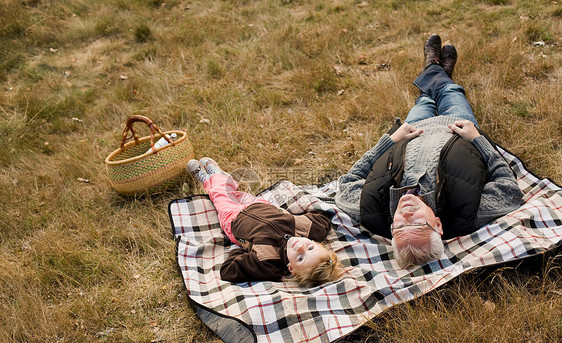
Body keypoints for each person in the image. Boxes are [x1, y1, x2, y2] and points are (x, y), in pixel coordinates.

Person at [335, 34, 523, 267]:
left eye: (400, 227)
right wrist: (477, 139)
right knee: (451, 92)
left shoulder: (370, 212)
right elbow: (510, 191)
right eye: (417, 224)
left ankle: (434, 67)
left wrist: (390, 140)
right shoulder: (469, 214)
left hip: (413, 129)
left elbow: (346, 183)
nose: (406, 216)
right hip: (457, 125)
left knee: (424, 100)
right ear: (438, 225)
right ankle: (438, 70)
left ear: (391, 231)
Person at [187, 157, 345, 286]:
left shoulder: (269, 264)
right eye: (310, 247)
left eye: (300, 258)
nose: (300, 247)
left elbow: (229, 270)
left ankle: (209, 179)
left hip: (233, 221)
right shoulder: (310, 230)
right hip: (260, 205)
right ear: (316, 243)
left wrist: (237, 247)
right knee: (234, 193)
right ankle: (220, 177)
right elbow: (322, 218)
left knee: (219, 194)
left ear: (291, 269)